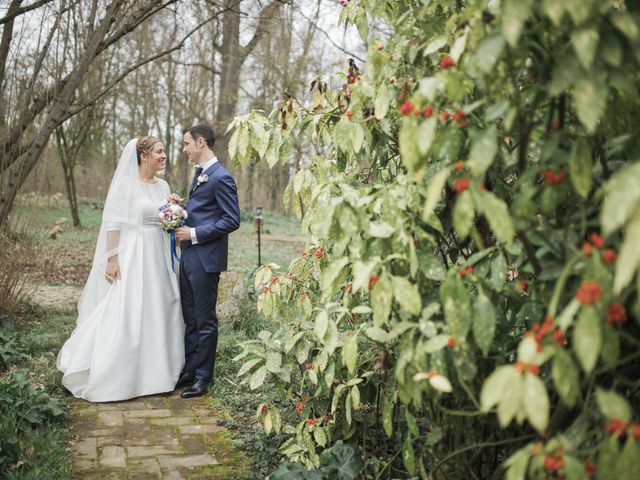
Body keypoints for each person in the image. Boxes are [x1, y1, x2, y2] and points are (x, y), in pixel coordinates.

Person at [57, 137, 185, 402]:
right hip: (134, 254)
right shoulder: (125, 185)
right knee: (129, 306)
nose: (164, 156)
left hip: (158, 255)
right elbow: (112, 224)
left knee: (161, 305)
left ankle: (158, 373)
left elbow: (164, 220)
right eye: (159, 152)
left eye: (163, 152)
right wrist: (112, 259)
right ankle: (118, 373)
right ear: (143, 156)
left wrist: (174, 209)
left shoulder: (164, 186)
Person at [174, 124, 240, 398]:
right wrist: (181, 209)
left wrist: (194, 233)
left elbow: (231, 220)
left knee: (205, 319)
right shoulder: (200, 175)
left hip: (206, 260)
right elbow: (204, 212)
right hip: (189, 257)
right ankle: (190, 370)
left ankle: (203, 378)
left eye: (187, 143)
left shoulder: (221, 177)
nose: (185, 149)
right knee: (190, 317)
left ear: (201, 142)